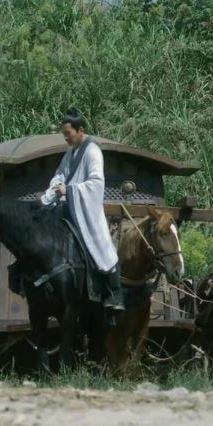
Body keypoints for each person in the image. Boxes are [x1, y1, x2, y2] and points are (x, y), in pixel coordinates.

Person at [40, 109, 125, 325]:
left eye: (68, 133)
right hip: (68, 207)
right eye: (64, 134)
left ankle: (112, 295)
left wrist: (69, 190)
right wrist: (54, 188)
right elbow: (60, 173)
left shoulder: (92, 152)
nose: (66, 137)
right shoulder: (71, 152)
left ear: (81, 130)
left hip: (86, 210)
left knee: (102, 247)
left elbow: (96, 183)